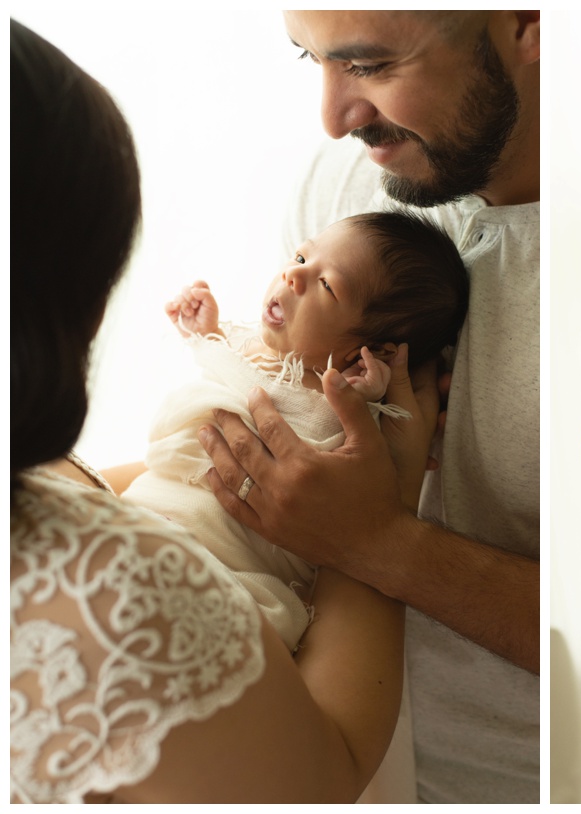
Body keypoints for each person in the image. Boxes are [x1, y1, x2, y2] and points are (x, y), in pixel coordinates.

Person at [10, 19, 433, 803]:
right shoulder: (121, 589)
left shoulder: (57, 503)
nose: (294, 277)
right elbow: (326, 766)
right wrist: (381, 523)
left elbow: (194, 458)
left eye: (368, 61)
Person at [196, 11, 540, 803]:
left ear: (525, 22)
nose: (332, 116)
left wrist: (376, 540)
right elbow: (259, 426)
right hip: (286, 735)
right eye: (310, 59)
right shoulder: (343, 187)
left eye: (371, 65)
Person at [122, 211, 468, 652]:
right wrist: (206, 332)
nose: (294, 274)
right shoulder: (249, 344)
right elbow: (222, 370)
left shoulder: (340, 401)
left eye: (326, 285)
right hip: (155, 507)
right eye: (301, 255)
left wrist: (372, 396)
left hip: (223, 564)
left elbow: (368, 464)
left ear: (373, 353)